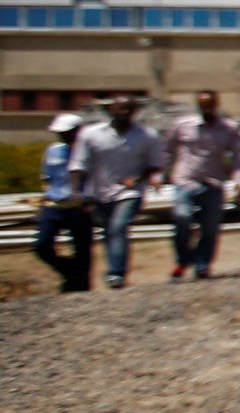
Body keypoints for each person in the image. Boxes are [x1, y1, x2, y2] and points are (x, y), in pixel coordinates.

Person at [68, 95, 165, 290]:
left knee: (118, 227)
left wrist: (138, 179)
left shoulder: (147, 136)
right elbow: (79, 164)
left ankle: (116, 274)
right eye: (120, 109)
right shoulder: (91, 134)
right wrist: (77, 192)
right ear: (111, 110)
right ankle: (115, 267)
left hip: (130, 193)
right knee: (108, 232)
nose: (124, 113)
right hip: (99, 192)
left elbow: (156, 164)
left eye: (129, 109)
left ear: (135, 112)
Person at [165, 88, 240, 280]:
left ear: (216, 104)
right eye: (203, 105)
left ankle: (202, 265)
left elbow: (238, 157)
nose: (207, 108)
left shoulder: (229, 129)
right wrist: (159, 173)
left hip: (213, 183)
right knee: (181, 218)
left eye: (210, 104)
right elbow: (167, 150)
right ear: (198, 105)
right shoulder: (182, 125)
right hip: (185, 181)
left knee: (210, 228)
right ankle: (183, 258)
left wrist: (238, 181)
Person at [34, 111, 94, 292]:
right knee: (42, 245)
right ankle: (69, 270)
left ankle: (80, 287)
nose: (62, 135)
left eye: (66, 132)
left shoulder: (90, 152)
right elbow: (47, 177)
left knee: (82, 250)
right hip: (54, 205)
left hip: (79, 208)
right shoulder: (53, 151)